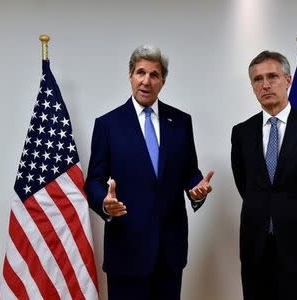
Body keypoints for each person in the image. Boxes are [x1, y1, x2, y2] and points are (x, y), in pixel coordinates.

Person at [85, 45, 213, 300]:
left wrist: (198, 191)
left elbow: (190, 172)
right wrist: (104, 202)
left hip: (170, 252)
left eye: (154, 74)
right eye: (140, 72)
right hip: (126, 250)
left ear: (163, 80)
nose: (146, 80)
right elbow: (94, 181)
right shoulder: (108, 125)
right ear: (130, 76)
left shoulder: (181, 122)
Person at [231, 50, 297, 300]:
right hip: (255, 247)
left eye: (272, 76)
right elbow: (245, 185)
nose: (265, 84)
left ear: (288, 80)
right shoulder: (242, 133)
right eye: (258, 79)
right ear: (252, 85)